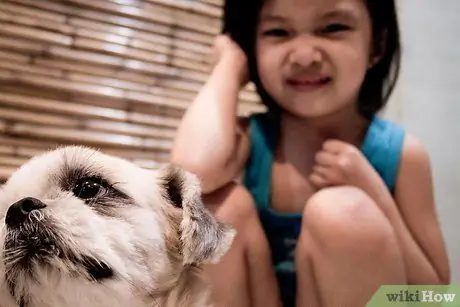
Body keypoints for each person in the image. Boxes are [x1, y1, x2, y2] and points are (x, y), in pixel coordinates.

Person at [171, 0, 451, 306]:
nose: (304, 56)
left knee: (343, 214)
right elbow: (190, 173)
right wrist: (230, 63)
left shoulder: (402, 155)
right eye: (278, 31)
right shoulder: (253, 140)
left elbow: (437, 296)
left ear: (377, 45)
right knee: (212, 206)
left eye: (334, 28)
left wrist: (374, 193)